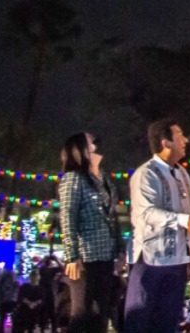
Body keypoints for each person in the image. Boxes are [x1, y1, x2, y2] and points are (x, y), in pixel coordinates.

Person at [123, 118, 190, 333]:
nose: (185, 140)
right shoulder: (146, 173)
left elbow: (187, 213)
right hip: (150, 259)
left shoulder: (182, 174)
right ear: (165, 143)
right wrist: (184, 221)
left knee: (169, 323)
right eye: (179, 135)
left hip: (177, 262)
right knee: (140, 320)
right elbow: (146, 212)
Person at [59, 131, 123, 333]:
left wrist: (119, 250)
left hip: (105, 256)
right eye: (91, 140)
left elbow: (112, 215)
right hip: (85, 258)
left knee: (102, 313)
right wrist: (72, 255)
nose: (96, 142)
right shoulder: (73, 178)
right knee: (82, 314)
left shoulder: (102, 178)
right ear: (79, 149)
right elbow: (68, 216)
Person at [0, 262, 19, 332]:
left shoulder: (3, 277)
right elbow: (16, 288)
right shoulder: (13, 277)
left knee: (2, 319)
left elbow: (1, 289)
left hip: (4, 300)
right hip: (12, 300)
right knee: (12, 319)